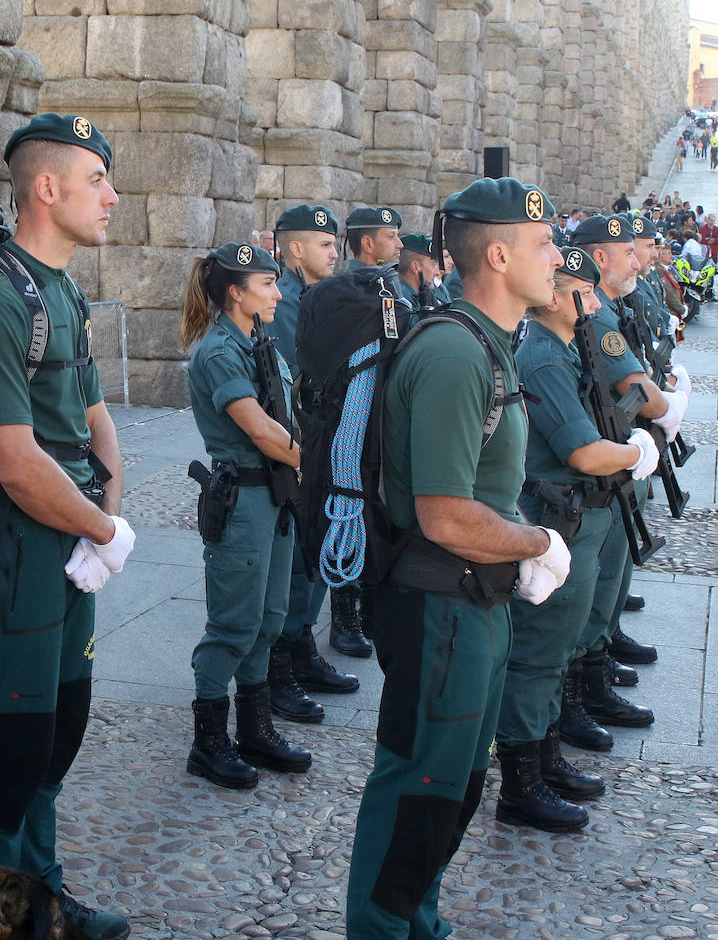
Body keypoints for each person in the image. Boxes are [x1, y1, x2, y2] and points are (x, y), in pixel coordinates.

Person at [344, 177, 572, 939]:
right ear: (499, 254)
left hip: (477, 605)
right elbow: (443, 514)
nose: (557, 258)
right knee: (419, 789)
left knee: (454, 792)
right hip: (441, 608)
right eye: (545, 245)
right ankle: (380, 928)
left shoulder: (490, 342)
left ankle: (419, 923)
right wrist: (540, 542)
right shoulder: (453, 350)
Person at [0, 112, 133, 940]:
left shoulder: (61, 288)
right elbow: (14, 460)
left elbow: (93, 419)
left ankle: (39, 899)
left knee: (60, 727)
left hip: (69, 540)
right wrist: (100, 530)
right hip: (16, 545)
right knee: (12, 743)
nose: (113, 198)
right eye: (98, 181)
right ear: (46, 189)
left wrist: (105, 523)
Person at [494, 246, 658, 833]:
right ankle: (521, 781)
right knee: (539, 652)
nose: (593, 306)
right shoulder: (543, 355)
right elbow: (584, 451)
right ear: (561, 296)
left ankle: (543, 755)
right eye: (584, 295)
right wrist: (638, 451)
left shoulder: (565, 346)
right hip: (560, 516)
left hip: (583, 516)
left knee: (558, 648)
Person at [179, 242, 312, 791]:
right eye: (267, 284)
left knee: (269, 618)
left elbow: (290, 414)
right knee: (232, 625)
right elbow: (260, 430)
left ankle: (254, 728)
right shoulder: (219, 352)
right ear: (236, 292)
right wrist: (321, 469)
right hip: (244, 501)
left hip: (274, 496)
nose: (279, 293)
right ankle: (209, 742)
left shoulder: (260, 341)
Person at [557, 214, 680, 751]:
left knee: (605, 581)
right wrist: (657, 420)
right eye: (626, 251)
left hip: (612, 461)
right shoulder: (581, 327)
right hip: (587, 474)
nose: (637, 260)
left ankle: (593, 676)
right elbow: (630, 389)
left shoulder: (595, 318)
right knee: (578, 601)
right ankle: (577, 692)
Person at [267, 204, 362, 721]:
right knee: (297, 562)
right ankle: (281, 664)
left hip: (326, 447)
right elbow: (297, 384)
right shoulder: (283, 303)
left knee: (317, 552)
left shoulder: (315, 298)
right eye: (326, 245)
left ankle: (302, 646)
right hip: (299, 450)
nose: (334, 253)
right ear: (295, 248)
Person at [396, 233, 450, 308]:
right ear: (416, 267)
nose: (437, 272)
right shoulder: (400, 301)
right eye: (433, 265)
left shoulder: (426, 294)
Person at [345, 206, 404, 270]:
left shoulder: (381, 275)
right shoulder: (355, 279)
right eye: (391, 237)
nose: (400, 245)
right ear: (368, 244)